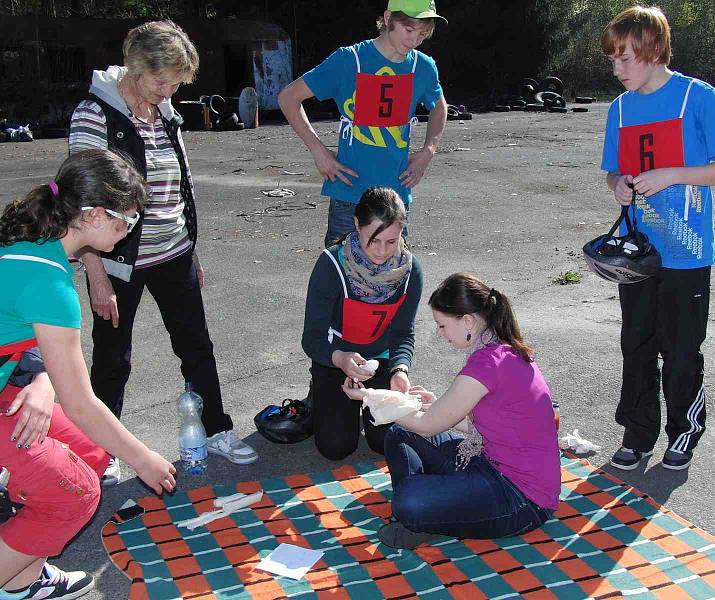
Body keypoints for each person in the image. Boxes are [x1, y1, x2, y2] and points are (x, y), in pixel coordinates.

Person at [68, 20, 257, 485]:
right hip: (115, 260)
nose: (169, 90)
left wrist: (190, 248)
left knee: (197, 346)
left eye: (175, 82)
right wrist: (94, 272)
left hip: (172, 251)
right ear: (135, 66)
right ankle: (101, 448)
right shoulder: (95, 115)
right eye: (162, 80)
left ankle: (216, 430)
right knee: (113, 357)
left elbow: (180, 186)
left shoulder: (166, 111)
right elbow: (78, 199)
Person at [0, 149, 176, 600]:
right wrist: (144, 459)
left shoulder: (32, 240)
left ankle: (21, 578)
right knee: (73, 494)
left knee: (94, 452)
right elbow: (80, 402)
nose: (131, 230)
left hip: (10, 386)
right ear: (96, 215)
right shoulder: (50, 282)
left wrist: (42, 380)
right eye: (128, 220)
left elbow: (25, 336)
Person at [600, 6, 715, 471]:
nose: (617, 69)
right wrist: (619, 184)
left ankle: (685, 430)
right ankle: (637, 433)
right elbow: (613, 172)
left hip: (688, 251)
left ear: (655, 50)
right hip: (637, 253)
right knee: (635, 343)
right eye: (613, 60)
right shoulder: (619, 109)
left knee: (680, 349)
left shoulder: (697, 98)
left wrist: (672, 176)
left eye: (625, 58)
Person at [342, 273, 560, 549]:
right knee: (400, 433)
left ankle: (427, 513)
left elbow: (428, 425)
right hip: (493, 464)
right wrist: (434, 404)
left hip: (523, 501)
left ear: (467, 320)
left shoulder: (488, 364)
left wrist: (369, 396)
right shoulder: (499, 349)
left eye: (442, 325)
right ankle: (438, 508)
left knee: (409, 500)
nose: (440, 333)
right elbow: (490, 424)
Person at [278, 0, 448, 247]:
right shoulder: (349, 60)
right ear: (388, 18)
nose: (414, 41)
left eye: (422, 34)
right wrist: (319, 152)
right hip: (349, 196)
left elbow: (440, 106)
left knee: (393, 279)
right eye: (409, 30)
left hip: (396, 197)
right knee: (341, 278)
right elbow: (288, 98)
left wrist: (428, 151)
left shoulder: (423, 66)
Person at [302, 187, 423, 460]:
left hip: (380, 362)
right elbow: (312, 339)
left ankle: (362, 410)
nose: (382, 252)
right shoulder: (331, 265)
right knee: (336, 448)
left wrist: (400, 370)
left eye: (392, 241)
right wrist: (340, 359)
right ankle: (322, 396)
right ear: (357, 225)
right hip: (336, 361)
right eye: (374, 240)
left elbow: (404, 333)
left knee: (386, 442)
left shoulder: (410, 271)